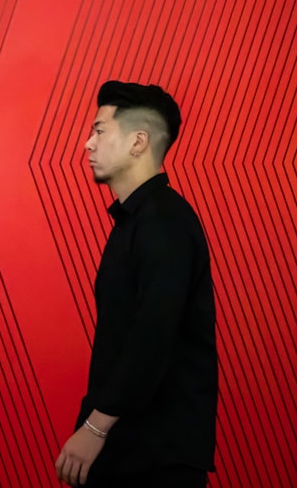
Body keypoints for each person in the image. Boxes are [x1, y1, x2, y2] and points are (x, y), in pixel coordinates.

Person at [55, 80, 217, 487]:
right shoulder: (138, 222)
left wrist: (94, 429)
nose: (88, 144)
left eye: (99, 130)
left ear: (138, 142)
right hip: (127, 451)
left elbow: (154, 334)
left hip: (154, 460)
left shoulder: (164, 222)